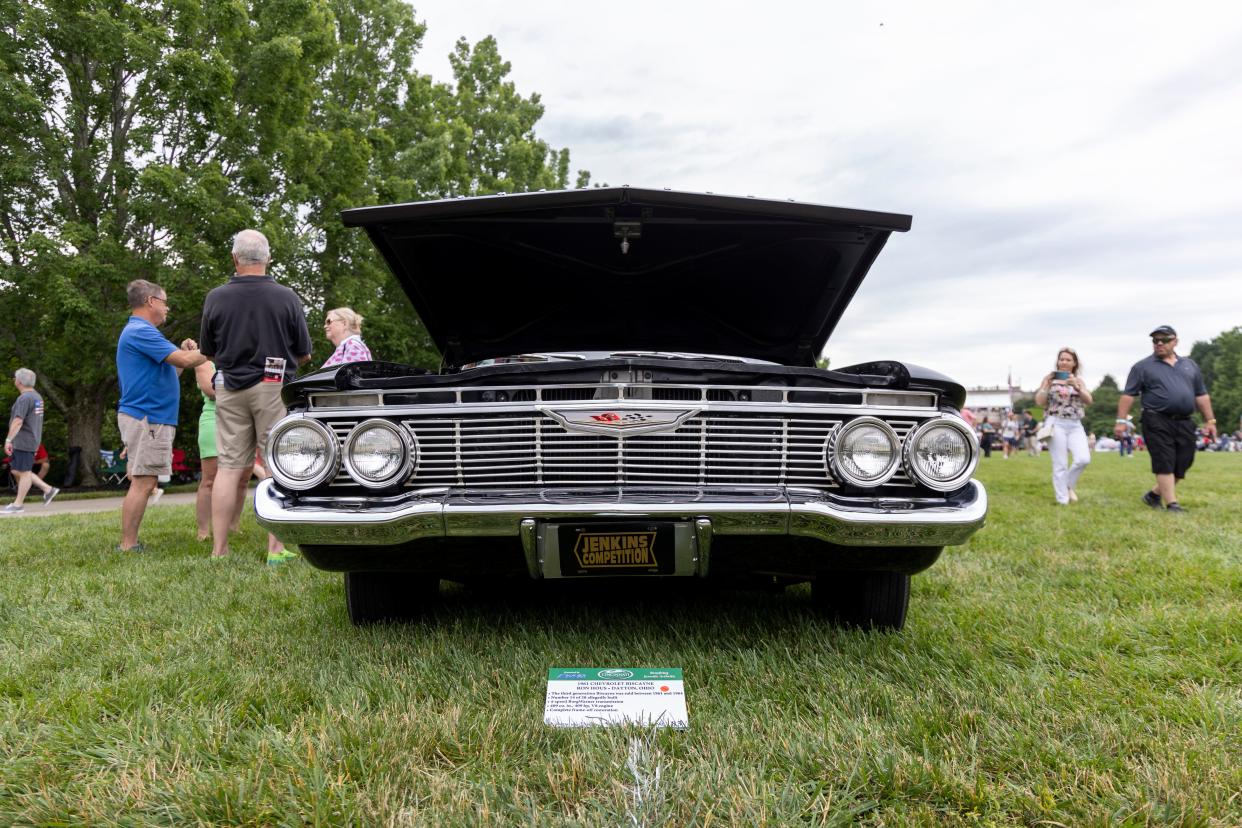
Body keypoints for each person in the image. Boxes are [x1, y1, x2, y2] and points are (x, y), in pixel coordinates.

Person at [200, 229, 312, 562]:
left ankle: (219, 551)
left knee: (229, 467)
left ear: (235, 259)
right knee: (277, 462)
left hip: (229, 386)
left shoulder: (216, 297)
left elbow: (208, 350)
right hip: (273, 385)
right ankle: (275, 549)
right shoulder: (286, 297)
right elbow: (304, 353)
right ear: (268, 258)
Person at [115, 280, 207, 549]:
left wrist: (187, 353)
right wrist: (219, 347)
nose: (167, 308)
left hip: (149, 416)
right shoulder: (141, 331)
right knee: (143, 481)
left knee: (144, 479)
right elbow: (185, 362)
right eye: (165, 302)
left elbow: (174, 369)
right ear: (151, 301)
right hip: (148, 417)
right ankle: (128, 545)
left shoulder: (143, 332)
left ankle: (129, 543)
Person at [1117, 326, 1215, 513]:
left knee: (1184, 461)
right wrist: (1121, 421)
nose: (1159, 343)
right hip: (1156, 419)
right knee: (1164, 460)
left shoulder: (1189, 365)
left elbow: (1201, 395)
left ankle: (1153, 495)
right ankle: (1172, 505)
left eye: (1164, 339)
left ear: (1175, 341)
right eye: (1155, 340)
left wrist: (1210, 421)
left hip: (1185, 420)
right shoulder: (1142, 367)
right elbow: (1128, 395)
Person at [193, 360, 251, 541]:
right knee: (209, 479)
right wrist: (247, 390)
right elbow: (210, 391)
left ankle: (233, 525)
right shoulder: (203, 361)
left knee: (243, 479)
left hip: (243, 422)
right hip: (214, 421)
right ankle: (203, 531)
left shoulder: (246, 356)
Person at [1034, 347, 1092, 505]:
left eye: (1068, 360)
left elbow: (1089, 400)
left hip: (1075, 424)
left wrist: (1077, 387)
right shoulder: (1049, 379)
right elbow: (1039, 402)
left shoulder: (1078, 380)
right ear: (1057, 361)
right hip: (1055, 423)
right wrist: (1045, 386)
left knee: (1083, 459)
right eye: (1062, 359)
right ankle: (1062, 500)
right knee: (1060, 463)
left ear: (1074, 363)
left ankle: (1067, 486)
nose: (1064, 362)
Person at [3, 369, 59, 513]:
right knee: (16, 470)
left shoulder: (24, 398)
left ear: (19, 382)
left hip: (24, 440)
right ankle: (48, 489)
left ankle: (18, 505)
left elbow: (18, 421)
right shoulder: (37, 397)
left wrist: (9, 439)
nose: (14, 380)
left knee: (24, 472)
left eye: (15, 378)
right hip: (32, 439)